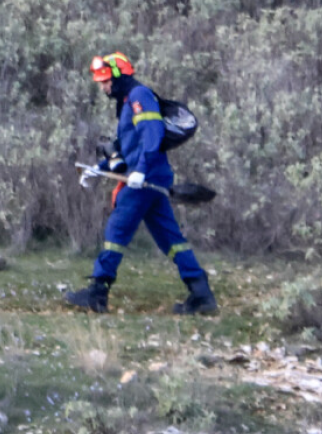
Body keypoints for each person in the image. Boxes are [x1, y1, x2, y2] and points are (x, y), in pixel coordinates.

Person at [68, 52, 217, 315]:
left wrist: (142, 171)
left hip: (145, 179)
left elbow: (153, 134)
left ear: (119, 77)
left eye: (105, 81)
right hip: (149, 177)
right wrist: (98, 169)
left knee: (117, 230)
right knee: (170, 239)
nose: (103, 87)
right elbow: (128, 149)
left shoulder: (139, 96)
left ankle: (98, 292)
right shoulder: (127, 102)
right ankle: (201, 292)